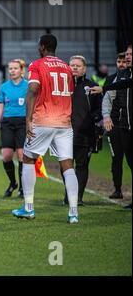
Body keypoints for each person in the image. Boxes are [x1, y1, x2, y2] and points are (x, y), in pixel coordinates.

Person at [11, 34, 80, 224]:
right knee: (67, 165)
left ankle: (28, 208)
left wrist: (28, 120)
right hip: (64, 123)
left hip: (43, 120)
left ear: (42, 47)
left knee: (28, 159)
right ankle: (73, 212)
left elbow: (33, 89)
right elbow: (70, 95)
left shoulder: (37, 65)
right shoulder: (67, 67)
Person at [62, 55, 102, 206]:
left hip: (85, 134)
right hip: (64, 133)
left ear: (84, 68)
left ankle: (78, 197)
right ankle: (68, 193)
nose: (74, 68)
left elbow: (99, 108)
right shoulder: (63, 86)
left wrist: (95, 118)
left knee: (82, 165)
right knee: (65, 165)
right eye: (72, 65)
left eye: (77, 66)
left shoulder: (92, 86)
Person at [0, 59, 28, 199]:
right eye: (10, 68)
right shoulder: (4, 87)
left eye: (15, 68)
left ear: (21, 70)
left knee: (21, 156)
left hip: (23, 123)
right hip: (7, 123)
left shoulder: (28, 86)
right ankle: (13, 182)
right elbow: (0, 106)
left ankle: (22, 187)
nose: (12, 71)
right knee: (7, 156)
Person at [101, 47, 132, 200]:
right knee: (116, 158)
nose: (121, 63)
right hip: (116, 125)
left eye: (125, 58)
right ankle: (117, 189)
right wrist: (106, 116)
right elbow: (107, 97)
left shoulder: (125, 78)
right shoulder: (115, 78)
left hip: (127, 125)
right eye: (119, 60)